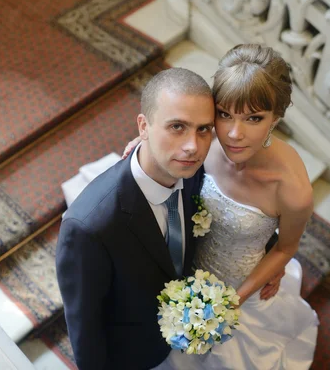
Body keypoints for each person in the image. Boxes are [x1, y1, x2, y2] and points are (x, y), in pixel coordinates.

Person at [124, 44, 319, 369]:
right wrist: (148, 148)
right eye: (224, 114)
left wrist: (232, 301)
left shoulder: (292, 190)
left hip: (239, 282)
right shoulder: (206, 139)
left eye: (254, 118)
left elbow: (286, 248)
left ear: (277, 118)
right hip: (184, 258)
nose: (233, 134)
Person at [55, 67, 216, 370]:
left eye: (204, 129)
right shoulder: (90, 228)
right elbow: (85, 329)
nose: (193, 146)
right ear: (143, 126)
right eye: (177, 127)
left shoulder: (191, 172)